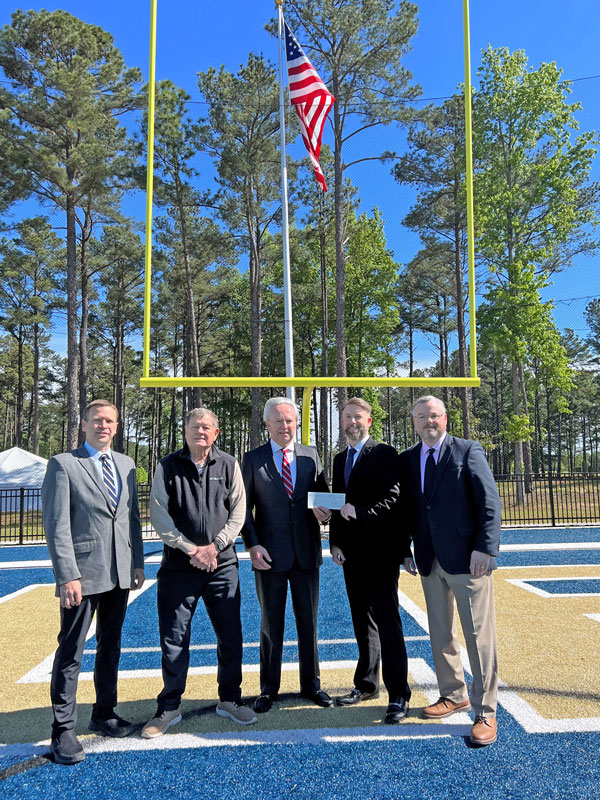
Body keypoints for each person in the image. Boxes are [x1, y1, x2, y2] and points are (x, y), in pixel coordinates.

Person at [42, 399, 145, 765]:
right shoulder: (63, 464)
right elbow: (56, 526)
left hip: (119, 573)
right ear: (84, 423)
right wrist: (67, 574)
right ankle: (63, 729)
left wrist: (136, 563)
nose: (104, 426)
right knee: (70, 652)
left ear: (117, 427)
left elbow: (130, 518)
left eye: (110, 421)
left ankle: (104, 712)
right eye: (97, 420)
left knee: (110, 647)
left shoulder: (126, 464)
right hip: (82, 577)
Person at [142, 407, 256, 737]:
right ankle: (169, 706)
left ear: (216, 433)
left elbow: (238, 512)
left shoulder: (229, 464)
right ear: (186, 431)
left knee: (231, 636)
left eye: (207, 427)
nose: (200, 432)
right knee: (174, 639)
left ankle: (230, 700)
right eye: (195, 427)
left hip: (222, 566)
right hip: (180, 567)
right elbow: (160, 516)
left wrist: (215, 546)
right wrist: (191, 549)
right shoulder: (168, 466)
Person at [399, 395, 501, 746]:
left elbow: (489, 501)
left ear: (446, 419)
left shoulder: (467, 450)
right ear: (413, 422)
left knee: (477, 637)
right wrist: (404, 550)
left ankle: (485, 711)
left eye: (435, 416)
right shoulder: (408, 460)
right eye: (422, 417)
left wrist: (485, 549)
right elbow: (405, 511)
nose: (429, 422)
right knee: (440, 633)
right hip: (429, 560)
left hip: (467, 560)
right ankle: (453, 693)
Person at [241, 397, 333, 713]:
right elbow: (245, 511)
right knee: (271, 625)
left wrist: (326, 514)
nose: (285, 426)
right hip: (268, 556)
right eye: (278, 421)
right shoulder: (252, 459)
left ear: (297, 423)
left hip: (306, 554)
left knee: (309, 624)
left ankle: (312, 686)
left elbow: (323, 498)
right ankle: (268, 689)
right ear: (267, 424)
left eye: (290, 420)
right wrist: (252, 545)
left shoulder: (311, 456)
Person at [329, 397, 412, 724]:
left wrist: (361, 512)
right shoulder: (339, 459)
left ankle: (399, 694)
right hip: (352, 555)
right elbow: (338, 503)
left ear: (369, 420)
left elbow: (393, 497)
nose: (351, 422)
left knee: (388, 623)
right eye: (346, 417)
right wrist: (335, 541)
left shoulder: (383, 453)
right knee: (363, 621)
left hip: (381, 553)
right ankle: (366, 684)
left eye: (357, 417)